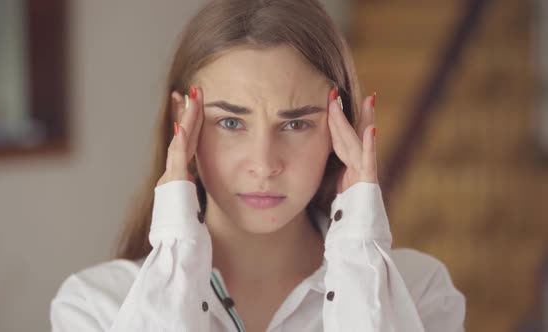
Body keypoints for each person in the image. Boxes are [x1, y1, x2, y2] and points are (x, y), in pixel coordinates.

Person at [50, 0, 466, 331]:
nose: (264, 165)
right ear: (183, 122)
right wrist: (176, 249)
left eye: (297, 123)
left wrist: (359, 248)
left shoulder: (420, 292)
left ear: (342, 127)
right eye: (230, 122)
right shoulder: (95, 306)